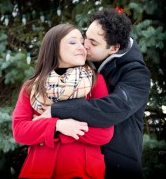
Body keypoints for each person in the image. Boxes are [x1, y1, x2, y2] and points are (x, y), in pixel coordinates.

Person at [34, 8, 151, 178]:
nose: (85, 44)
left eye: (93, 43)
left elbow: (114, 108)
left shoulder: (136, 74)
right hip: (83, 165)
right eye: (86, 37)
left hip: (118, 165)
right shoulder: (82, 63)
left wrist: (57, 110)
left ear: (114, 48)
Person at [12, 23, 114, 179]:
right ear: (54, 48)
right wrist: (58, 126)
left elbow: (104, 133)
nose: (82, 47)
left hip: (81, 171)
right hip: (38, 171)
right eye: (73, 42)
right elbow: (20, 131)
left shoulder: (95, 81)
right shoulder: (32, 87)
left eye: (82, 42)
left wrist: (57, 129)